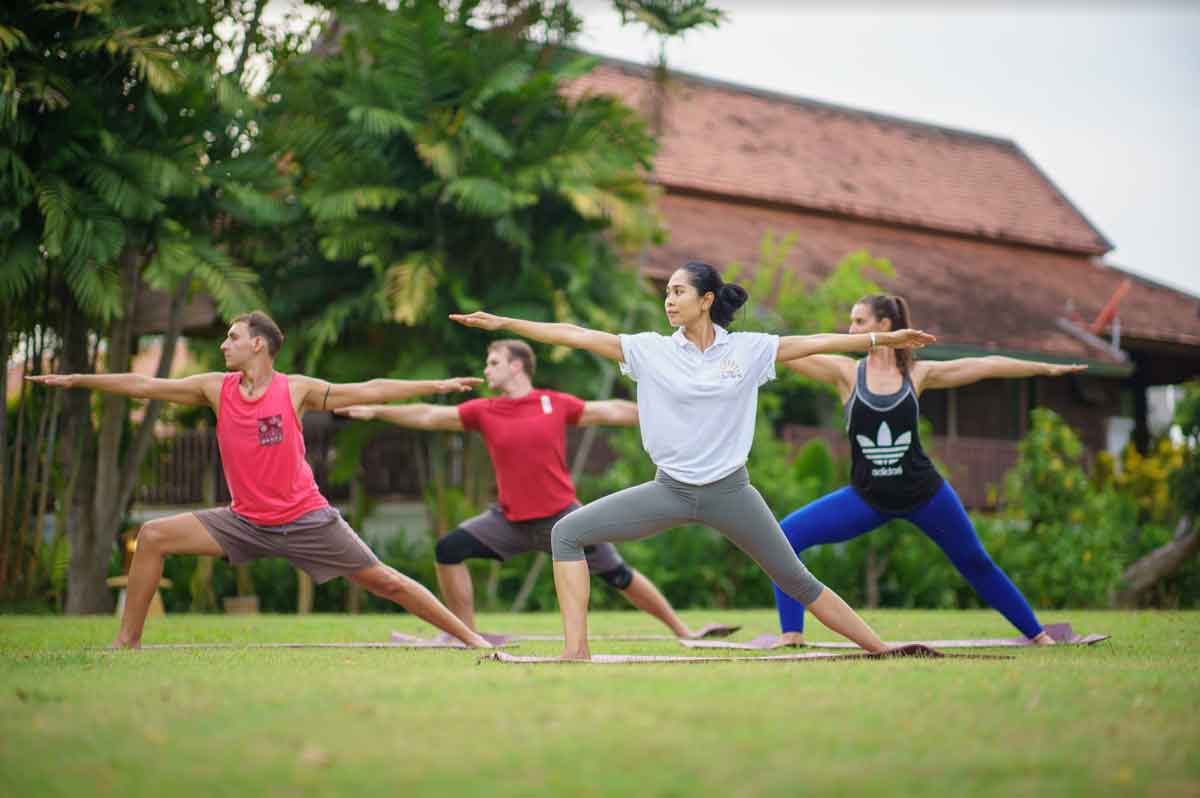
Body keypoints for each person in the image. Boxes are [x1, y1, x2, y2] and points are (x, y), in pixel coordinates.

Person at [451, 262, 936, 659]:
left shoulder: (748, 349)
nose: (668, 299)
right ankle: (576, 652)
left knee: (795, 578)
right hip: (669, 491)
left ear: (706, 300)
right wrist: (505, 324)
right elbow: (575, 334)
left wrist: (882, 341)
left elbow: (815, 342)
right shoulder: (649, 350)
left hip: (731, 492)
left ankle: (882, 649)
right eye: (666, 292)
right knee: (567, 532)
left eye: (678, 291)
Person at [28, 310, 492, 650]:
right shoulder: (215, 387)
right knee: (152, 536)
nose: (223, 344)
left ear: (258, 345)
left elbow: (370, 389)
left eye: (232, 337)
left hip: (306, 518)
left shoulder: (296, 390)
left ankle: (473, 639)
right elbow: (144, 386)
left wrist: (434, 386)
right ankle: (126, 643)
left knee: (387, 582)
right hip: (244, 521)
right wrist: (77, 380)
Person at [337, 339, 733, 639]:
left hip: (564, 518)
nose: (486, 370)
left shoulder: (553, 403)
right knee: (448, 550)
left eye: (493, 363)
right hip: (508, 520)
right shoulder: (484, 411)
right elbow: (429, 414)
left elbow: (611, 410)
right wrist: (377, 410)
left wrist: (678, 412)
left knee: (618, 575)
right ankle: (463, 636)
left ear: (516, 365)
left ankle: (685, 633)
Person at [770, 294, 1084, 646]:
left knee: (975, 562)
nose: (851, 329)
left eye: (859, 322)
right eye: (851, 322)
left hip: (924, 494)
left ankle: (1039, 636)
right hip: (868, 497)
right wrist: (724, 333)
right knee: (784, 538)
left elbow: (986, 365)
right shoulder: (845, 373)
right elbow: (780, 351)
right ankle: (792, 633)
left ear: (885, 325)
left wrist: (1045, 369)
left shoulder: (918, 374)